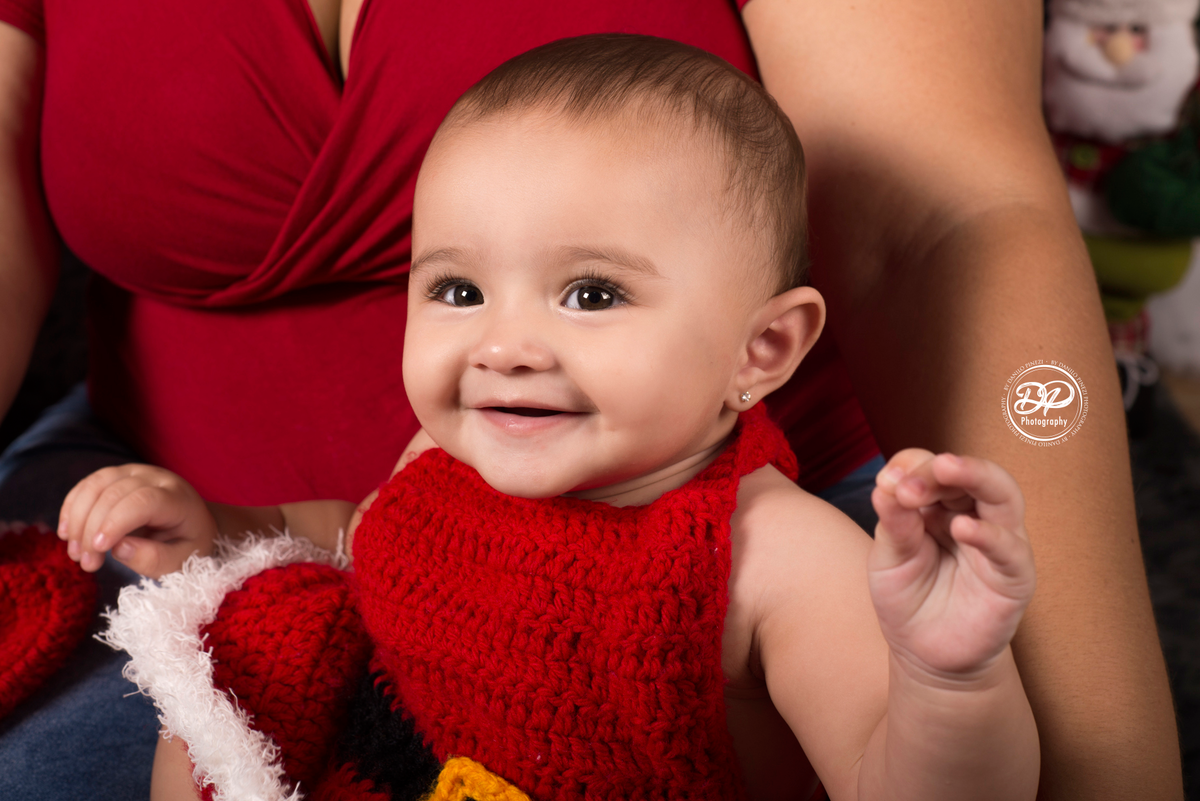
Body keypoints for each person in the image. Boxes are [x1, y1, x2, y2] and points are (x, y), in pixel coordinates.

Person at [0, 1, 1179, 799]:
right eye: (457, 289)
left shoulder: (772, 560)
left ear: (763, 349)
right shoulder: (434, 465)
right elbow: (357, 533)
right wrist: (224, 534)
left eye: (593, 294)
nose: (506, 345)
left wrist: (952, 676)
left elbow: (906, 781)